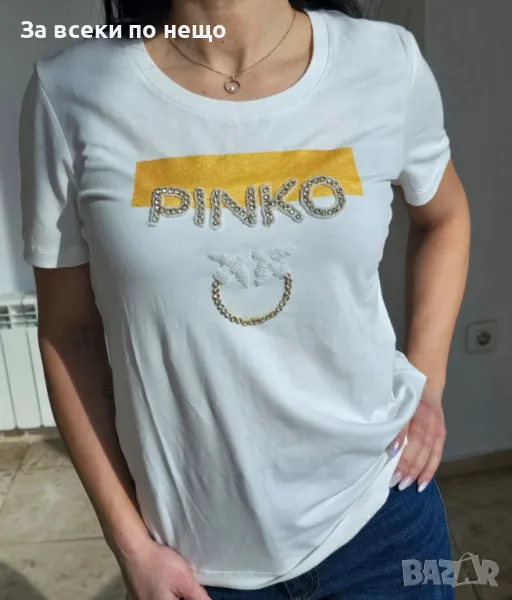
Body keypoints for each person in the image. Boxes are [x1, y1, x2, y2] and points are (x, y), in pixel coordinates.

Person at [18, 0, 471, 598]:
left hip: (382, 521)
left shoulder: (385, 62)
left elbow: (445, 217)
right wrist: (130, 545)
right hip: (198, 559)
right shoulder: (70, 93)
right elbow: (68, 333)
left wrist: (428, 381)